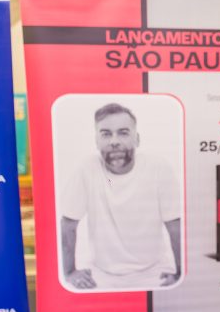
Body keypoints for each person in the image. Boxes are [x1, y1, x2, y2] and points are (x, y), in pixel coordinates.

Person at [60, 103, 182, 291]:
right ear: (96, 141)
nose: (114, 141)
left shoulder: (159, 168)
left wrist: (180, 273)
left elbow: (175, 225)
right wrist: (69, 272)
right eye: (106, 134)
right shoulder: (86, 169)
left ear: (137, 139)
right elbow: (68, 223)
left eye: (123, 132)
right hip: (101, 274)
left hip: (155, 272)